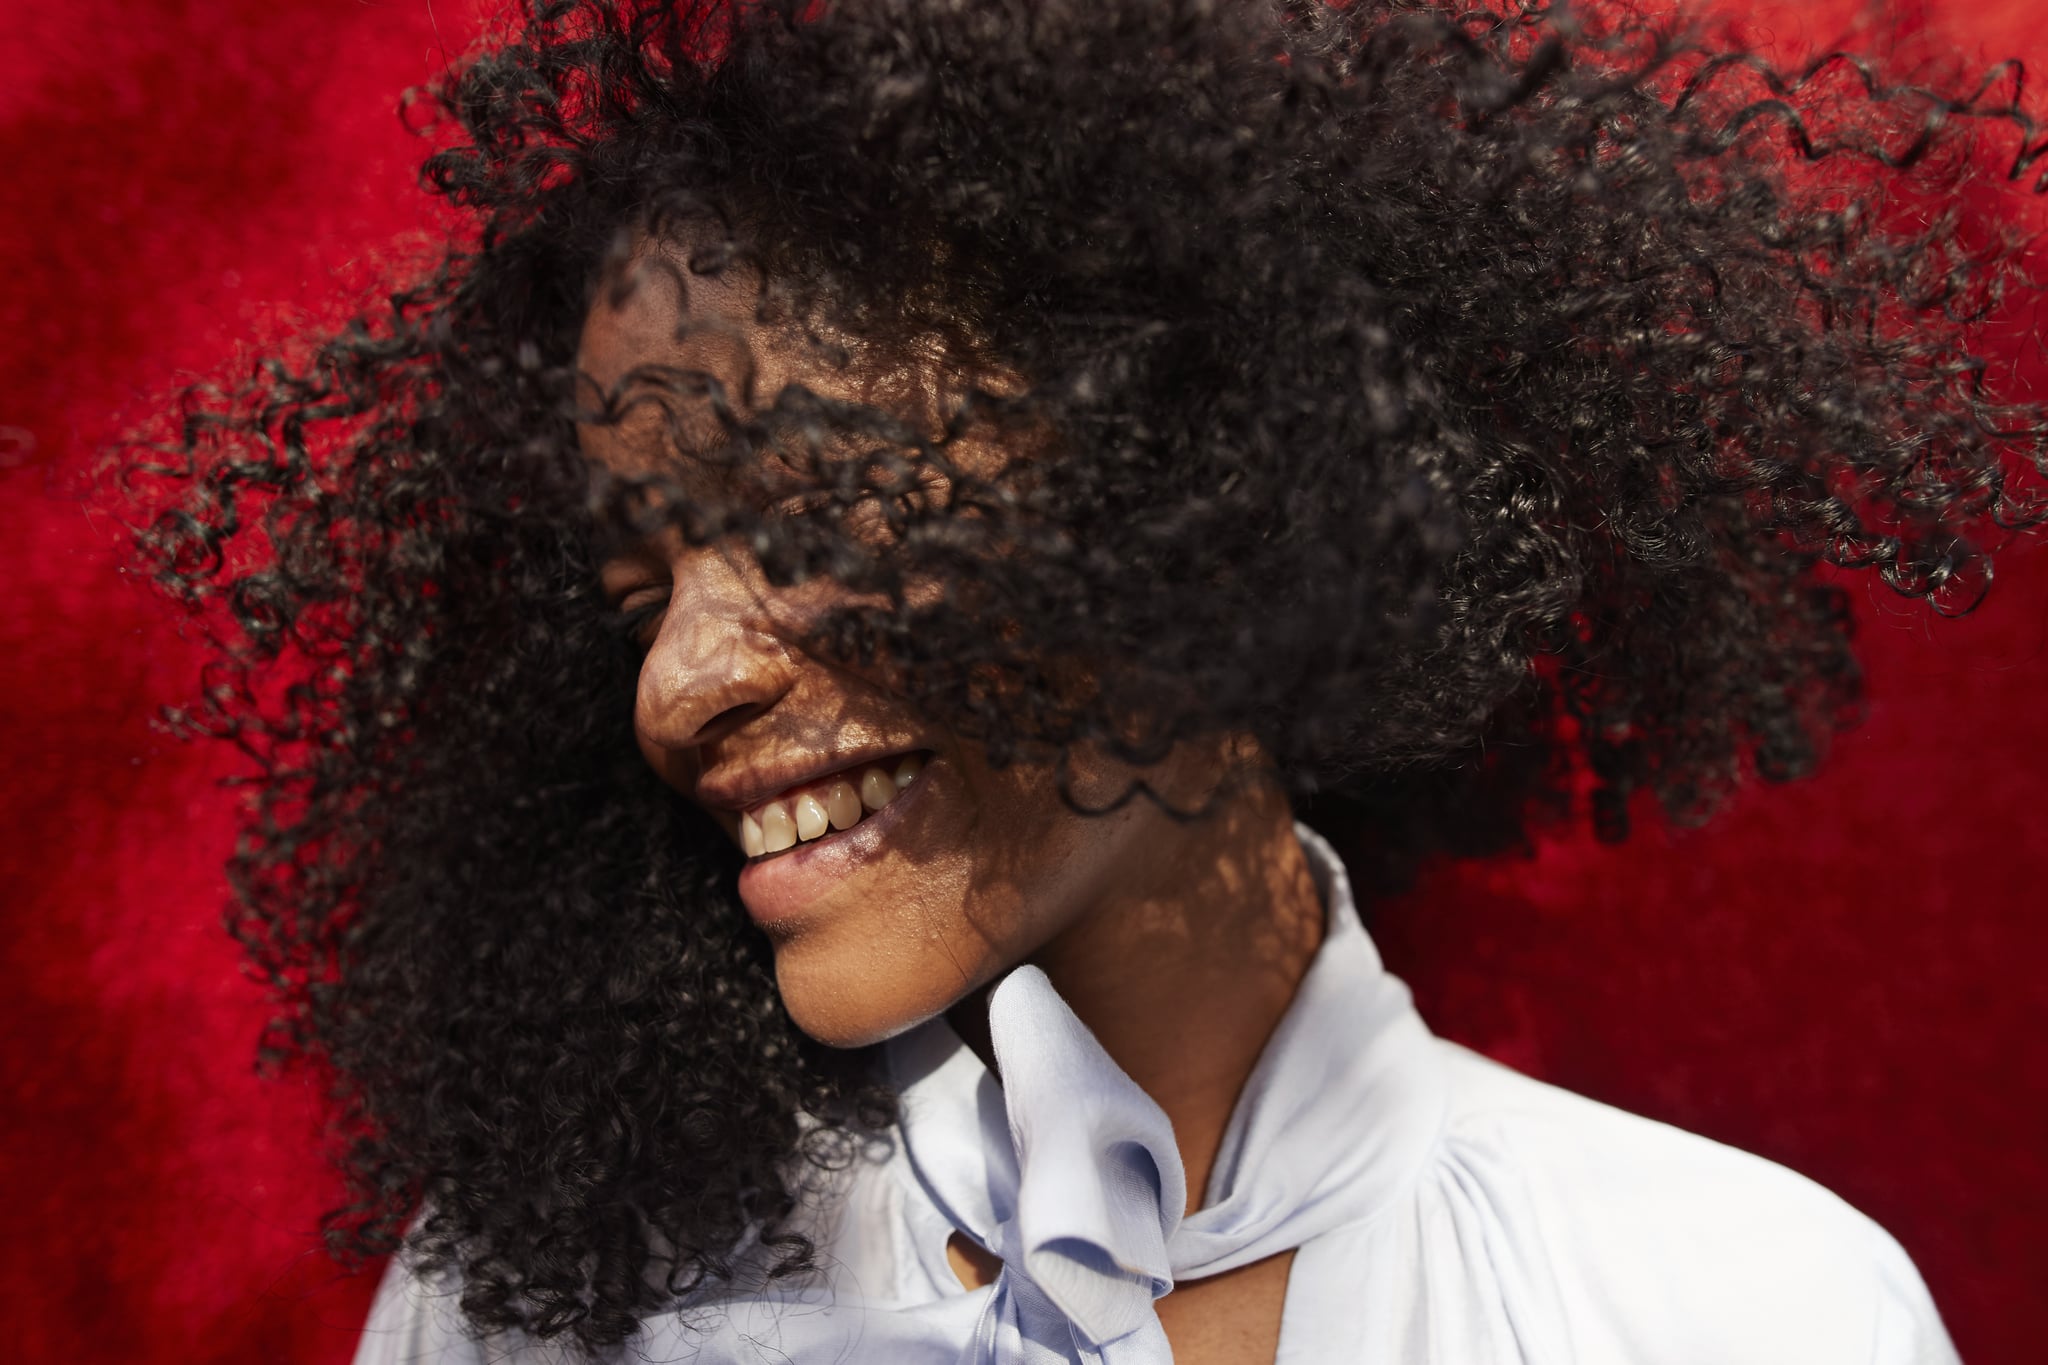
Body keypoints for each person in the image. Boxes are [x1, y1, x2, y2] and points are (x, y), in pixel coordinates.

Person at [128, 0, 2045, 1360]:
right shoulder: (536, 1318)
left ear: (1203, 470)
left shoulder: (1745, 1316)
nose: (678, 683)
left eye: (808, 504)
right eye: (638, 590)